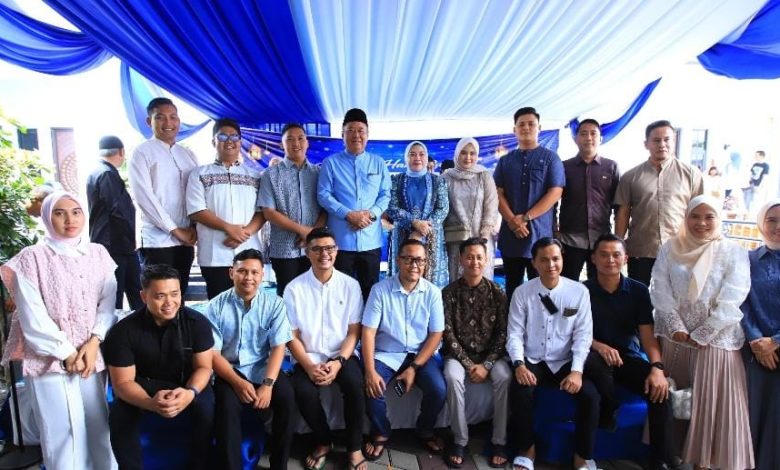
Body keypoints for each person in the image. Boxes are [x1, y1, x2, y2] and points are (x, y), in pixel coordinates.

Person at [0, 191, 117, 470]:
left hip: (90, 355)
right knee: (63, 434)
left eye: (76, 212)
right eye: (59, 213)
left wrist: (94, 342)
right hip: (48, 358)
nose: (69, 220)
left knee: (98, 425)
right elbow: (32, 316)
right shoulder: (31, 258)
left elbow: (107, 302)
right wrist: (67, 353)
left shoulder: (98, 253)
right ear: (46, 217)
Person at [651, 195, 753, 470]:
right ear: (686, 218)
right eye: (695, 216)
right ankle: (674, 459)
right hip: (676, 340)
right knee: (677, 405)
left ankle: (704, 464)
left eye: (709, 217)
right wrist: (675, 326)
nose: (701, 223)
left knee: (708, 408)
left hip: (715, 342)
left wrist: (705, 331)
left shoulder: (733, 251)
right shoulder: (671, 248)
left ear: (719, 219)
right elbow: (659, 287)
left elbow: (734, 296)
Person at [103, 264, 214, 470]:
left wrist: (190, 393)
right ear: (143, 296)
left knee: (205, 408)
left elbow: (204, 368)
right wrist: (150, 403)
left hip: (186, 382)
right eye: (160, 296)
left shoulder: (197, 322)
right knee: (120, 414)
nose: (169, 302)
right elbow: (122, 383)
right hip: (143, 385)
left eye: (175, 294)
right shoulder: (123, 331)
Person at [583, 234, 676, 470]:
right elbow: (573, 333)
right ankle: (609, 408)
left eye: (616, 255)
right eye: (604, 255)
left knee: (660, 390)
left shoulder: (638, 291)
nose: (610, 260)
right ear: (593, 258)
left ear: (625, 258)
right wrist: (598, 345)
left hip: (627, 359)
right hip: (592, 358)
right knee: (595, 361)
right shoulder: (582, 291)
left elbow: (647, 335)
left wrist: (657, 368)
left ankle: (660, 459)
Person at [506, 238, 598, 470]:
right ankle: (527, 449)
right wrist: (519, 365)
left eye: (555, 259)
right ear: (534, 263)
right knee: (520, 391)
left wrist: (577, 371)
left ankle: (582, 456)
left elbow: (583, 335)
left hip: (565, 359)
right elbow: (514, 333)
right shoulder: (522, 292)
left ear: (562, 259)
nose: (551, 265)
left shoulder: (578, 292)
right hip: (533, 359)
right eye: (544, 260)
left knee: (590, 396)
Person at [284, 228, 366, 470]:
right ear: (307, 252)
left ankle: (354, 447)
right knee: (302, 391)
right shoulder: (294, 289)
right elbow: (291, 337)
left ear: (336, 251)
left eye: (329, 248)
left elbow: (354, 332)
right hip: (308, 356)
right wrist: (309, 366)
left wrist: (339, 362)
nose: (324, 254)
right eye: (317, 249)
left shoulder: (350, 285)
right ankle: (323, 440)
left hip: (342, 354)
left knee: (354, 385)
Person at [206, 249, 294, 470]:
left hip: (263, 368)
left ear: (262, 275)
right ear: (231, 273)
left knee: (287, 398)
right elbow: (213, 354)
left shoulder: (274, 304)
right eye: (242, 271)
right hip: (229, 370)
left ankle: (279, 465)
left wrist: (268, 384)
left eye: (254, 272)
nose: (248, 277)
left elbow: (278, 347)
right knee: (226, 408)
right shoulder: (215, 306)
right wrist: (237, 382)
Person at [361, 239, 446, 460]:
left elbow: (436, 334)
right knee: (372, 388)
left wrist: (414, 368)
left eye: (420, 260)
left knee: (438, 390)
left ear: (426, 263)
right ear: (398, 261)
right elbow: (368, 333)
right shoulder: (380, 290)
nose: (414, 265)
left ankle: (425, 429)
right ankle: (381, 430)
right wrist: (370, 371)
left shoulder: (433, 292)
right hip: (386, 354)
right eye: (408, 259)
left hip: (420, 355)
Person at [441, 238, 510, 468]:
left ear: (486, 260)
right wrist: (469, 364)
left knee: (504, 377)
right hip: (458, 356)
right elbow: (447, 333)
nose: (474, 262)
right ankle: (459, 440)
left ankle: (499, 441)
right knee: (452, 377)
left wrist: (487, 364)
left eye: (479, 257)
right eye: (469, 257)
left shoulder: (497, 292)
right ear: (461, 260)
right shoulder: (449, 292)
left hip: (491, 356)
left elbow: (503, 333)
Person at [615, 120, 704, 286]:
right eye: (656, 140)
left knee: (677, 295)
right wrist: (618, 245)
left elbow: (700, 212)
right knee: (639, 295)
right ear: (646, 144)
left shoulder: (691, 174)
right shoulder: (630, 177)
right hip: (641, 250)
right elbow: (623, 213)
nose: (662, 144)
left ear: (674, 140)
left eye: (666, 139)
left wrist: (700, 244)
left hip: (680, 250)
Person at [317, 108, 391, 300]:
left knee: (371, 293)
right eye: (350, 130)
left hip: (371, 241)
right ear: (342, 135)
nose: (356, 135)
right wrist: (348, 214)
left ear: (367, 134)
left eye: (360, 130)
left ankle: (368, 322)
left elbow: (385, 195)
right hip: (341, 242)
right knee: (342, 296)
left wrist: (370, 215)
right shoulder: (330, 163)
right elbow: (323, 195)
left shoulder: (378, 163)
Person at [186, 118, 265, 299]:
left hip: (249, 252)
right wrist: (229, 228)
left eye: (234, 136)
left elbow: (262, 211)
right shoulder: (199, 174)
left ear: (240, 142)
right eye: (222, 136)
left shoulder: (254, 176)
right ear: (213, 142)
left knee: (250, 305)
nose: (229, 141)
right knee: (219, 304)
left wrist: (243, 233)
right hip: (214, 255)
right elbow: (197, 211)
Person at [129, 97, 199, 295]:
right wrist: (175, 230)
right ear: (149, 121)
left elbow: (196, 194)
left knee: (179, 295)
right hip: (158, 241)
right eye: (160, 117)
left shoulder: (187, 154)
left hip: (186, 240)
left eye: (173, 117)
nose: (168, 122)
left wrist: (194, 228)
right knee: (159, 297)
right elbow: (144, 198)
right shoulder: (142, 152)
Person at [494, 107, 565, 299]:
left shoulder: (551, 158)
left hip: (540, 237)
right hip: (511, 236)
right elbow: (497, 193)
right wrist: (512, 221)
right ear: (514, 129)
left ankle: (543, 320)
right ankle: (514, 320)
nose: (526, 128)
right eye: (521, 124)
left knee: (543, 289)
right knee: (513, 287)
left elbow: (555, 192)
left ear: (539, 128)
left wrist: (525, 218)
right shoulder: (505, 161)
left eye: (531, 124)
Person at [258, 123, 324, 297]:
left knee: (314, 295)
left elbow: (326, 208)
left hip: (316, 248)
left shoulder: (319, 173)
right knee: (287, 296)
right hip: (284, 248)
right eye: (290, 139)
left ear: (307, 142)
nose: (296, 143)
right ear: (281, 144)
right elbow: (269, 212)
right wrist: (304, 231)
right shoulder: (270, 174)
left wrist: (312, 234)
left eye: (301, 138)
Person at [740, 199, 780, 469]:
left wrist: (775, 341)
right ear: (760, 223)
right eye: (771, 220)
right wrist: (756, 341)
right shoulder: (748, 260)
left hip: (775, 347)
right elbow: (740, 301)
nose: (777, 226)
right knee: (753, 411)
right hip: (754, 351)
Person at [557, 119, 620, 281]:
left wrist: (618, 237)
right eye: (583, 134)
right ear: (576, 139)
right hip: (570, 239)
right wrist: (554, 231)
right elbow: (553, 201)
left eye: (593, 134)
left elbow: (619, 205)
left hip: (601, 238)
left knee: (600, 284)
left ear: (600, 139)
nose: (589, 138)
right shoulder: (564, 167)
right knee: (568, 283)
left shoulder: (611, 167)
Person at [86, 135, 143, 311]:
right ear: (121, 152)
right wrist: (132, 240)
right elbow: (119, 211)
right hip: (117, 246)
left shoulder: (96, 172)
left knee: (118, 294)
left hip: (107, 244)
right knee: (121, 296)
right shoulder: (107, 174)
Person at [387, 140, 449, 287]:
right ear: (406, 158)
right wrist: (414, 223)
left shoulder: (438, 181)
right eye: (412, 154)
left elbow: (443, 208)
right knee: (404, 276)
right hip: (403, 236)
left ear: (427, 158)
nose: (417, 158)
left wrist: (422, 230)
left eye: (421, 154)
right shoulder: (395, 180)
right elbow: (391, 207)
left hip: (431, 236)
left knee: (429, 279)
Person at [442, 137, 499, 281]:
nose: (468, 157)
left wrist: (484, 235)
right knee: (456, 279)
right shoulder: (446, 177)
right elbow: (441, 208)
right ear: (457, 154)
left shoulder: (484, 176)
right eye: (463, 153)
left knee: (481, 279)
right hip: (456, 239)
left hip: (481, 237)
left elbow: (491, 205)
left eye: (472, 153)